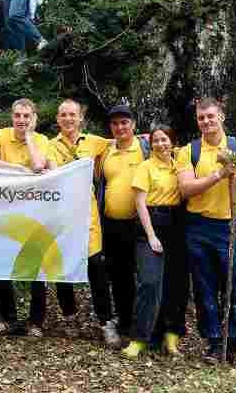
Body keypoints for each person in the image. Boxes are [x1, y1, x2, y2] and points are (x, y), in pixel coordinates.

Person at [176, 97, 236, 367]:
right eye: (201, 118)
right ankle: (213, 342)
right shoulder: (190, 151)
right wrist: (219, 175)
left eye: (211, 116)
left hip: (231, 225)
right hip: (199, 226)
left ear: (222, 116)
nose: (206, 121)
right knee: (204, 287)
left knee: (234, 287)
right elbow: (186, 189)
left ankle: (235, 344)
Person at [44, 99, 120, 347]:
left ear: (80, 118)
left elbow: (121, 141)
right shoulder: (49, 145)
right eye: (63, 114)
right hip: (61, 215)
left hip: (88, 216)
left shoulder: (93, 142)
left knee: (97, 269)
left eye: (72, 114)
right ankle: (69, 317)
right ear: (58, 119)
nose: (68, 119)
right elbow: (53, 172)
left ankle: (106, 323)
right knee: (61, 268)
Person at [0, 98, 55, 337]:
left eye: (26, 116)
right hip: (4, 208)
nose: (21, 120)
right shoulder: (1, 135)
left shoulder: (42, 140)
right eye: (18, 116)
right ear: (12, 117)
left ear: (33, 117)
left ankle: (36, 321)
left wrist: (28, 138)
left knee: (35, 263)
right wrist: (17, 170)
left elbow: (38, 166)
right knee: (3, 260)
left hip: (33, 210)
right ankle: (10, 317)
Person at [122, 125, 188, 359]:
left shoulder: (180, 163)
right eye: (156, 140)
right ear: (150, 144)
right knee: (149, 282)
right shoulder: (145, 167)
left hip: (177, 225)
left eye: (165, 140)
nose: (161, 144)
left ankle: (171, 337)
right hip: (151, 224)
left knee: (176, 283)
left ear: (172, 142)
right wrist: (151, 235)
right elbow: (140, 203)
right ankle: (139, 338)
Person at [94, 104, 151, 340]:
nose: (120, 127)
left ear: (134, 125)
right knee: (119, 274)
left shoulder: (145, 148)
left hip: (140, 222)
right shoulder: (106, 151)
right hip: (111, 222)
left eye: (124, 122)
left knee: (146, 274)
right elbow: (98, 180)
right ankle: (126, 321)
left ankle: (149, 323)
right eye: (115, 124)